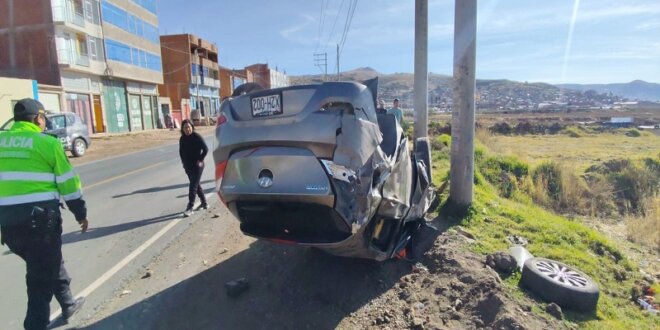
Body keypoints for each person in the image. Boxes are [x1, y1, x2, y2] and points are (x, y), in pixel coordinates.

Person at [0, 98, 88, 330]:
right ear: (38, 118)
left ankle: (68, 303)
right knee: (40, 277)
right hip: (39, 223)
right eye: (44, 117)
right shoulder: (47, 143)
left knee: (46, 262)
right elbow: (68, 183)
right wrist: (80, 213)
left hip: (8, 225)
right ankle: (35, 325)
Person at [179, 119, 208, 216]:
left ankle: (190, 207)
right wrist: (183, 163)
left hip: (197, 166)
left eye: (189, 127)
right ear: (182, 129)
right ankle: (204, 203)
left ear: (192, 127)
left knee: (193, 186)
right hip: (188, 166)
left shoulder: (197, 137)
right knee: (196, 185)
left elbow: (205, 149)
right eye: (185, 127)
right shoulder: (182, 139)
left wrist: (200, 159)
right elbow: (181, 152)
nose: (187, 129)